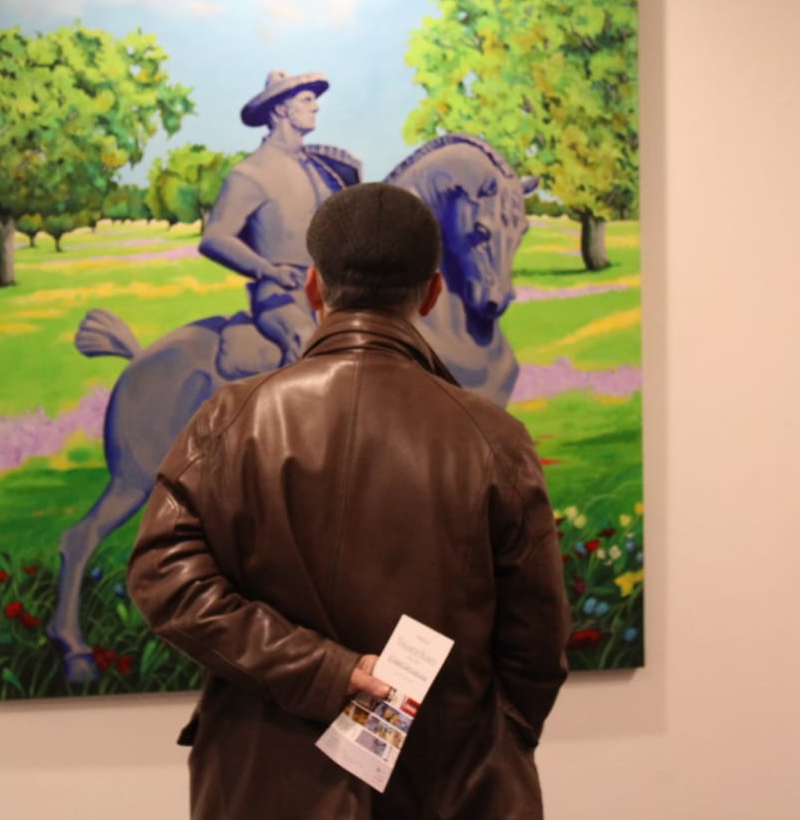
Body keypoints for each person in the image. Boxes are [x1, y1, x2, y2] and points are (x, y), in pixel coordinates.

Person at [128, 182, 572, 820]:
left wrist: (322, 673)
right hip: (451, 788)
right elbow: (537, 650)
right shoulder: (494, 440)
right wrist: (483, 747)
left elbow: (161, 577)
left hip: (262, 785)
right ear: (431, 293)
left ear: (313, 287)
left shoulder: (231, 419)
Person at [199, 70, 360, 368]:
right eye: (307, 100)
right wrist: (267, 271)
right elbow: (214, 238)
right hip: (281, 296)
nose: (316, 107)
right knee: (308, 343)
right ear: (281, 110)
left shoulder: (323, 170)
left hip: (330, 291)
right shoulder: (251, 173)